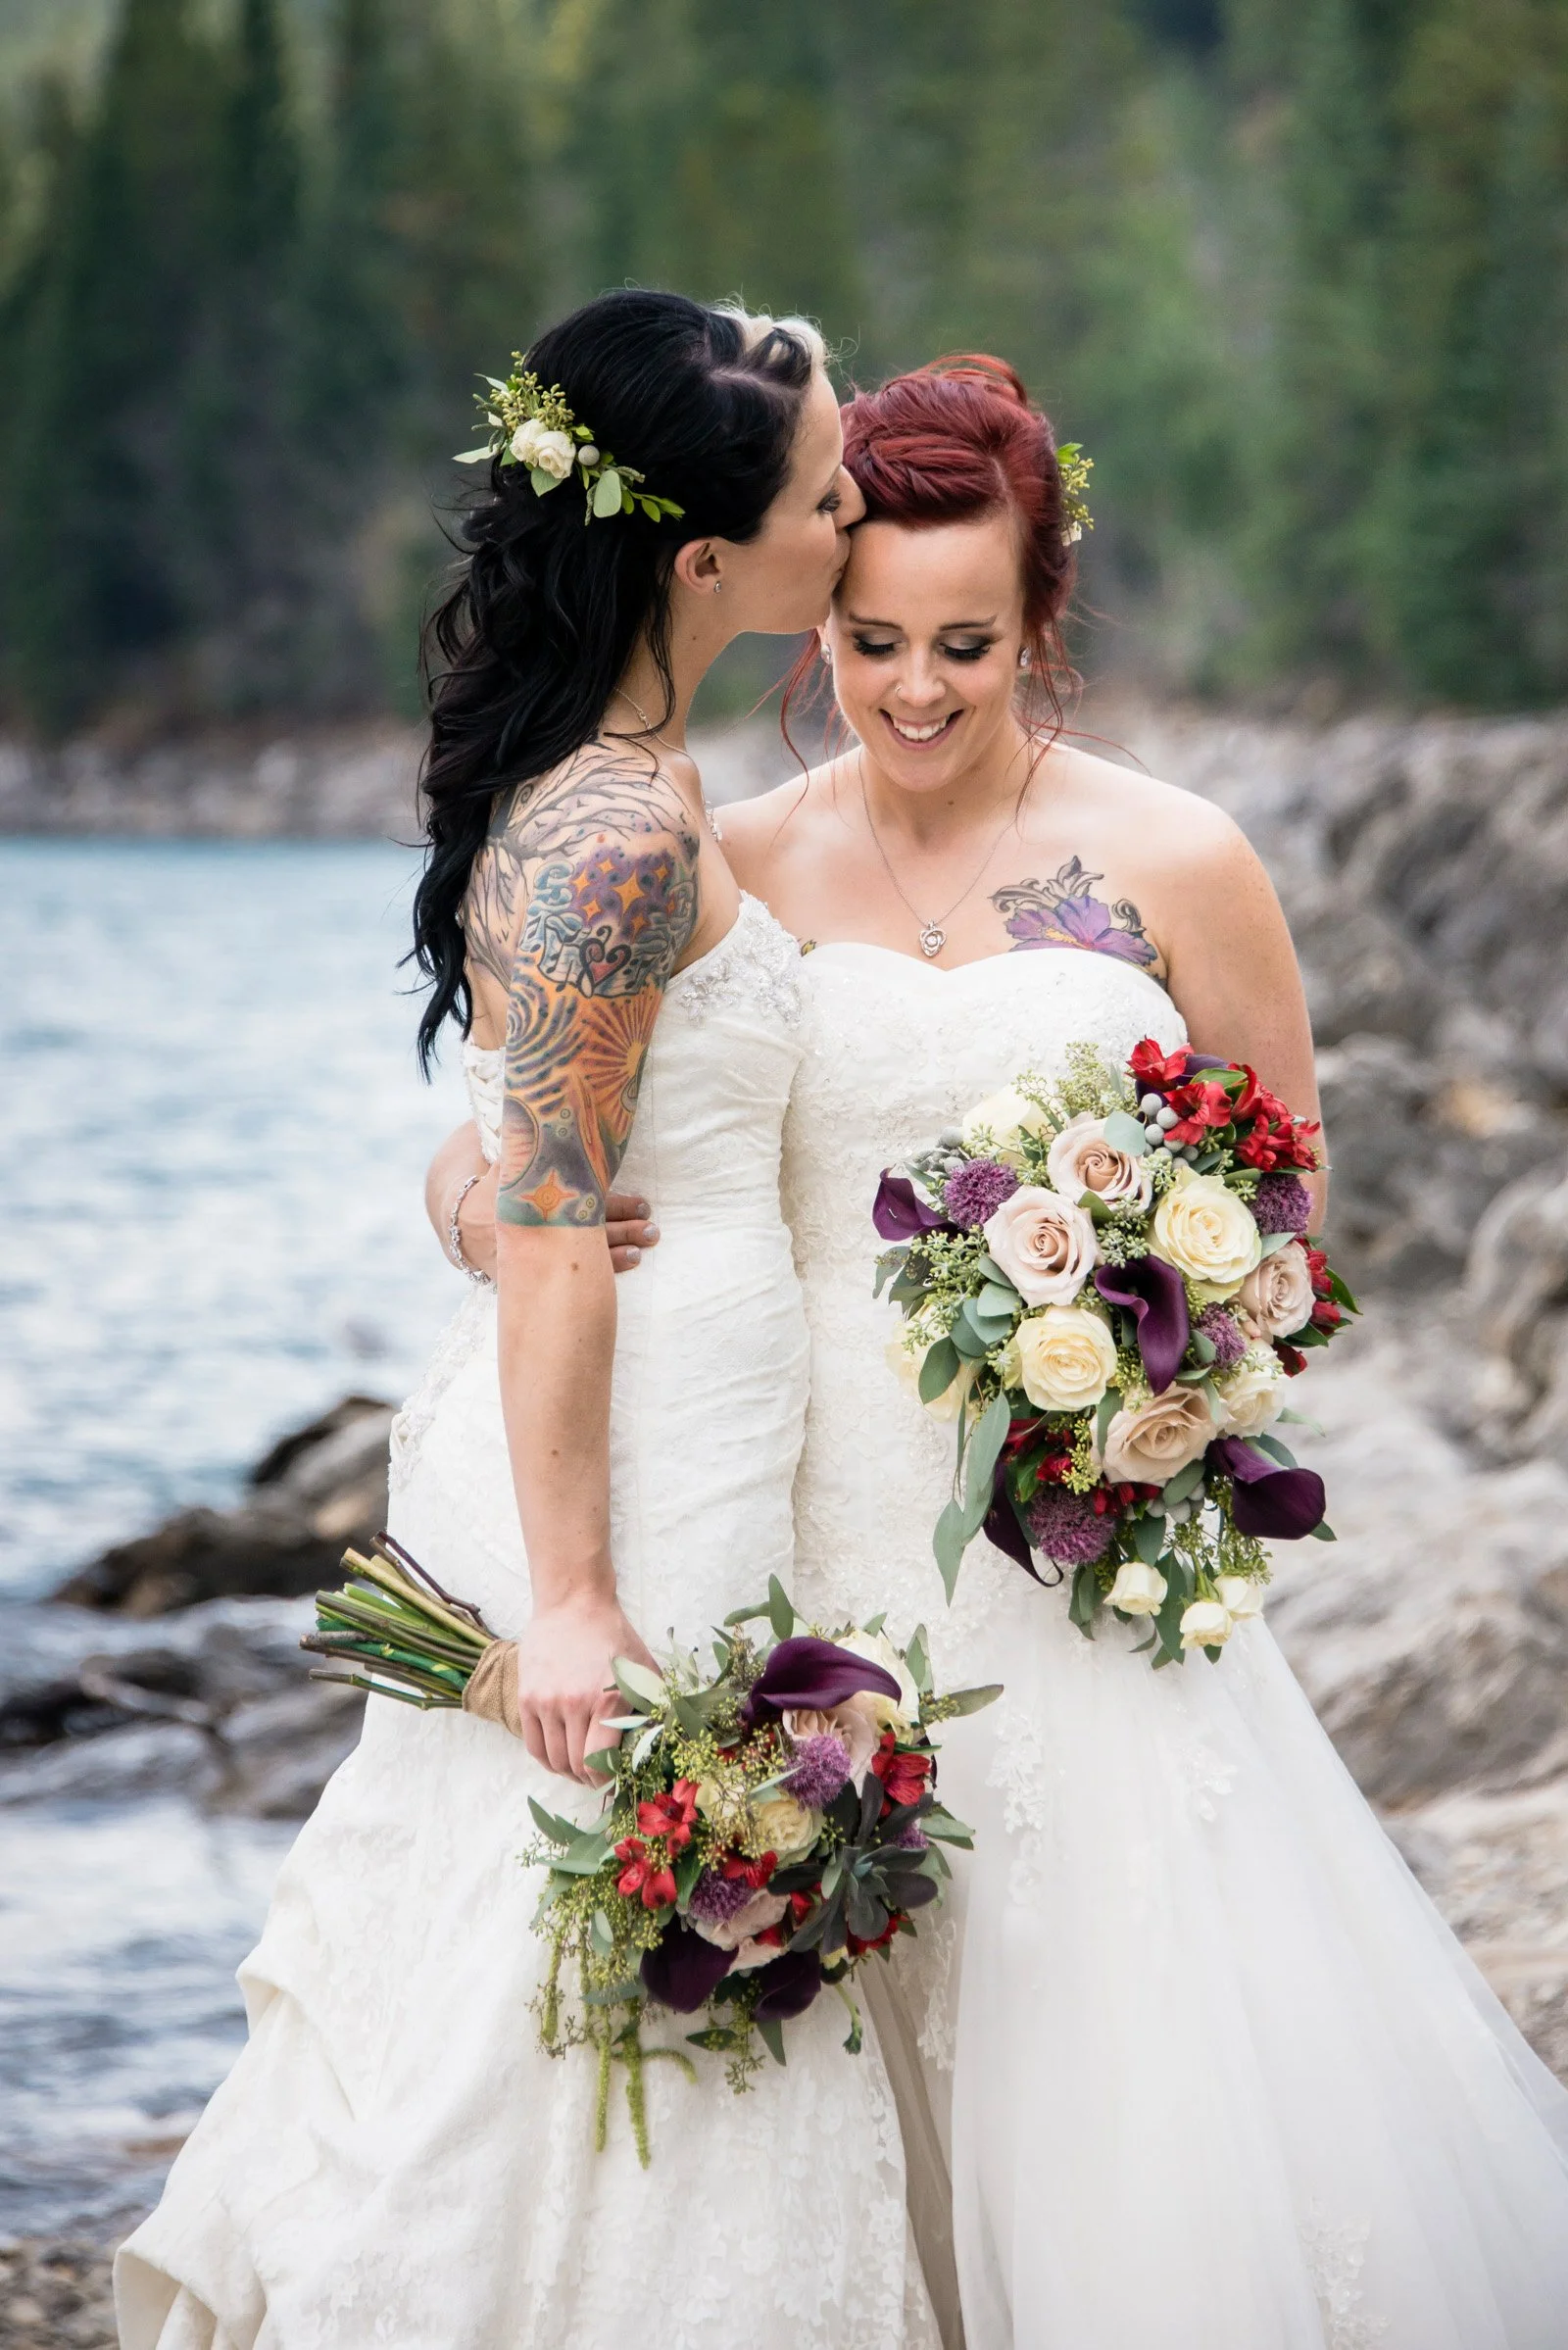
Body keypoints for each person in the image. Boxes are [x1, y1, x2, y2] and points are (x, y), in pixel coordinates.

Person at [437, 356, 1568, 2348]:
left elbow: (1285, 1209)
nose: (914, 689)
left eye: (965, 641)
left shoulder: (1180, 858)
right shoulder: (734, 852)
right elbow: (515, 1135)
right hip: (793, 1550)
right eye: (871, 639)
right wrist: (475, 1211)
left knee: (1117, 2053)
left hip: (1061, 1559)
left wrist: (1167, 1364)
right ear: (818, 614)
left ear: (1042, 613)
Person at [116, 290, 943, 2350]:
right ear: (701, 560)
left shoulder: (633, 790)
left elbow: (517, 1157)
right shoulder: (607, 833)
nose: (854, 521)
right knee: (571, 1917)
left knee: (619, 1924)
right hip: (622, 1456)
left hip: (701, 1413)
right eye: (826, 495)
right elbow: (562, 1225)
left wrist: (471, 1191)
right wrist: (569, 1594)